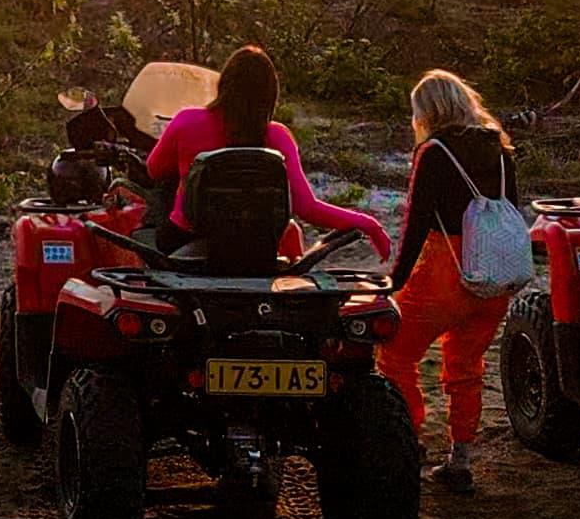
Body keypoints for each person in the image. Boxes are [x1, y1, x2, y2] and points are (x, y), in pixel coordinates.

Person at [385, 70, 517, 492]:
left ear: (427, 111)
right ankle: (460, 459)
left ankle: (410, 441)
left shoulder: (434, 152)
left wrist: (395, 280)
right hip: (495, 272)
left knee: (395, 352)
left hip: (447, 269)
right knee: (466, 365)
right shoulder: (498, 148)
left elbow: (416, 223)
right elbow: (511, 211)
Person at [141, 44, 389, 263]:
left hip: (184, 238)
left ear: (223, 84)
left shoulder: (186, 121)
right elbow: (307, 207)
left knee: (151, 211)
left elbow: (154, 170)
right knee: (291, 230)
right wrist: (368, 223)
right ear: (270, 95)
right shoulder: (277, 137)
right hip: (256, 246)